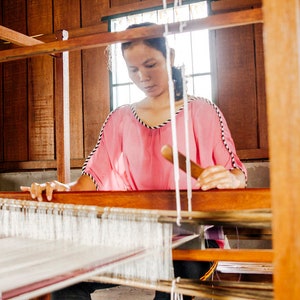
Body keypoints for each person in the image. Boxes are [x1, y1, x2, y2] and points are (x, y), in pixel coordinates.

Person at [21, 22, 247, 300]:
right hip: (136, 239)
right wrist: (59, 189)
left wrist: (230, 178)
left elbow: (236, 172)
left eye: (151, 65)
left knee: (176, 279)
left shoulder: (202, 111)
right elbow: (89, 181)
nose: (143, 77)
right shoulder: (120, 119)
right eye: (133, 70)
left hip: (192, 238)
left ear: (171, 57)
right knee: (64, 279)